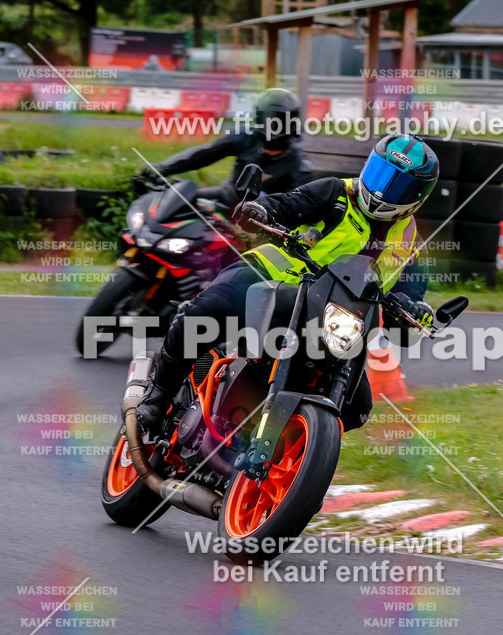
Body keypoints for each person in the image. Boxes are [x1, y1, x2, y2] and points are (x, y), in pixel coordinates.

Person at [136, 134, 439, 436]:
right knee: (204, 312)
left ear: (418, 196)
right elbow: (288, 203)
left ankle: (288, 451)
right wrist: (261, 210)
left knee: (356, 408)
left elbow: (406, 300)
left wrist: (416, 311)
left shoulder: (409, 242)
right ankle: (158, 396)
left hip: (332, 320)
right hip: (270, 276)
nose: (382, 188)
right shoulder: (335, 192)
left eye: (397, 185)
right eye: (380, 174)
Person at [144, 88, 314, 207]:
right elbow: (205, 154)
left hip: (259, 223)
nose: (273, 124)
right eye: (268, 117)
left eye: (279, 119)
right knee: (169, 199)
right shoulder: (245, 137)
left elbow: (293, 208)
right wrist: (163, 168)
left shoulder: (300, 165)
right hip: (225, 199)